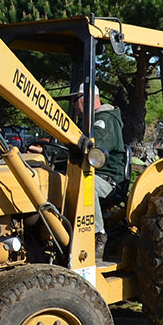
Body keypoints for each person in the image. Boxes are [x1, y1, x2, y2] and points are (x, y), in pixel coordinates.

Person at [71, 90, 126, 258]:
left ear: (87, 98)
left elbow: (93, 148)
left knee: (86, 182)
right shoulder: (88, 122)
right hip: (93, 173)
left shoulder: (105, 121)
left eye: (75, 99)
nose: (73, 104)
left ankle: (97, 235)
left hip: (107, 180)